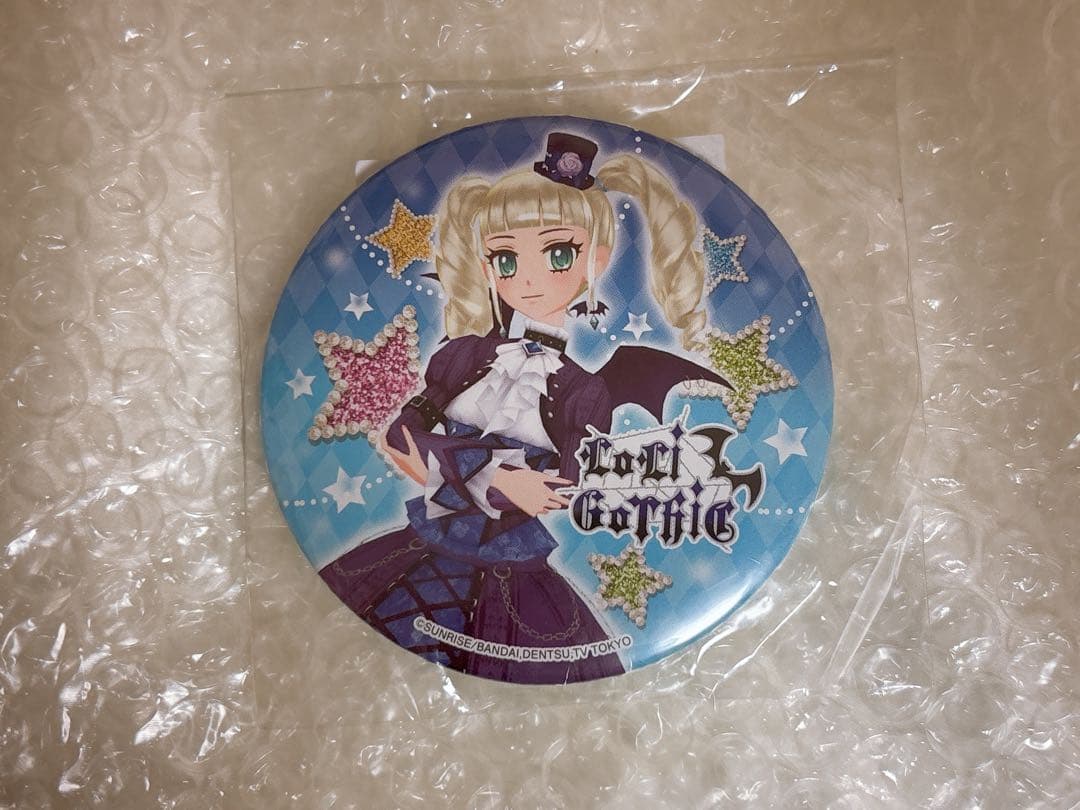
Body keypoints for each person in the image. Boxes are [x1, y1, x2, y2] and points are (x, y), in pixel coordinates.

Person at [320, 132, 719, 683]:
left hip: (511, 562)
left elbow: (559, 486)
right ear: (488, 267)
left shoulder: (585, 391)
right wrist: (499, 479)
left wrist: (449, 466)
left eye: (558, 255)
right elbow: (399, 438)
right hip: (426, 543)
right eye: (507, 258)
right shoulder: (463, 356)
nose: (528, 279)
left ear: (595, 262)